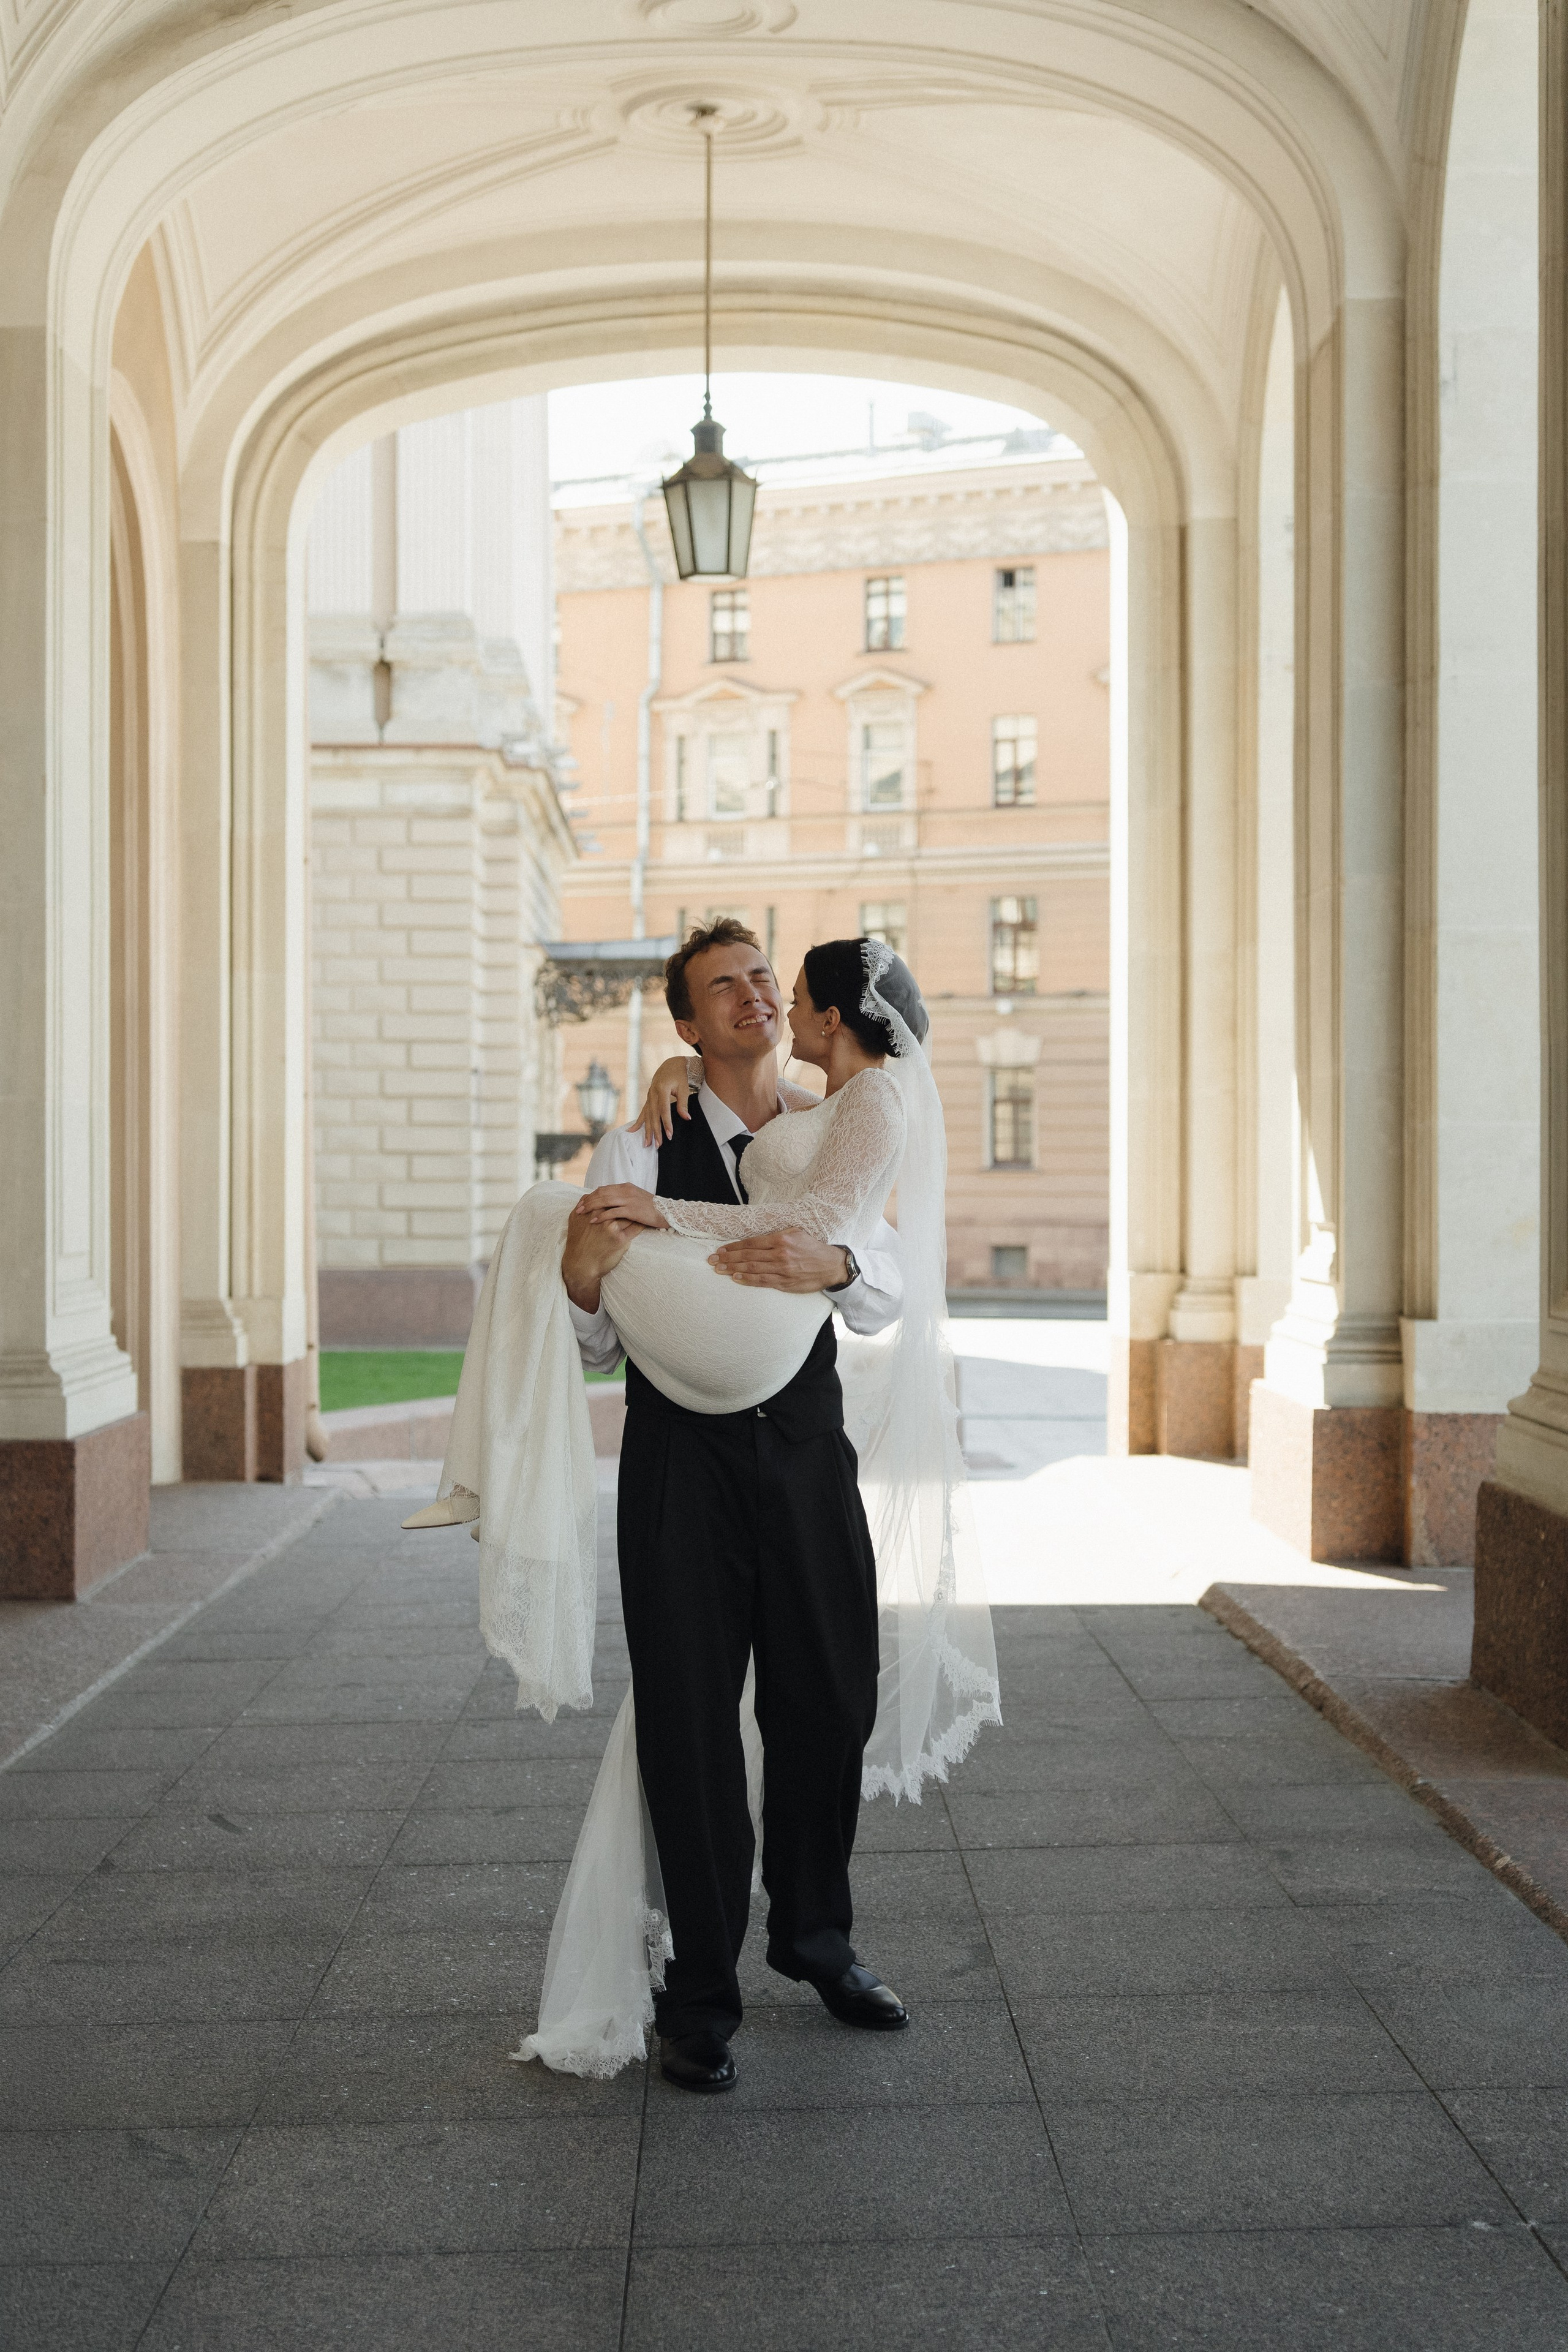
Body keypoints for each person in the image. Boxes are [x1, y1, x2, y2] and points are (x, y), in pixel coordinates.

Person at [408, 921, 1000, 2090]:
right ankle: (700, 1994)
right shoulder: (640, 1138)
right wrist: (579, 1279)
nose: (755, 995)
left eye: (765, 977)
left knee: (827, 1700)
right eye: (723, 986)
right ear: (685, 1023)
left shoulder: (837, 1114)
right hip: (679, 1462)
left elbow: (884, 1288)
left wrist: (833, 1265)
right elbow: (588, 1333)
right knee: (686, 1724)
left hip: (805, 1450)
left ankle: (816, 1938)